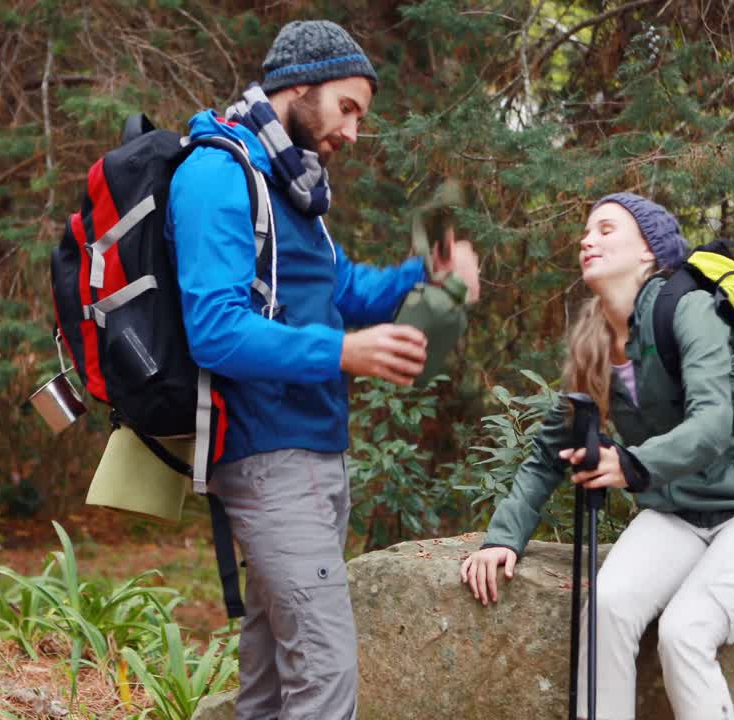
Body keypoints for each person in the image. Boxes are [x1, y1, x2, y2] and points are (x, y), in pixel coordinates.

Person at [168, 20, 479, 720]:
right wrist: (343, 352)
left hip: (313, 453)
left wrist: (428, 274)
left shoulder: (295, 188)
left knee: (274, 681)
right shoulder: (220, 173)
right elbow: (214, 331)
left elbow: (340, 290)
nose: (354, 132)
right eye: (348, 108)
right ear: (298, 85)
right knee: (327, 675)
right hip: (265, 453)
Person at [458, 193, 734, 720]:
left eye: (606, 229)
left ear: (648, 253)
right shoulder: (594, 342)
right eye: (585, 233)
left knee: (685, 632)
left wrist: (630, 464)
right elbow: (551, 453)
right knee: (609, 609)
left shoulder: (688, 309)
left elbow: (712, 427)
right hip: (678, 513)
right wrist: (503, 538)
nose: (587, 240)